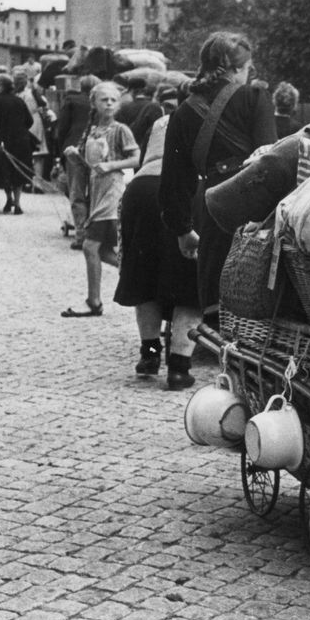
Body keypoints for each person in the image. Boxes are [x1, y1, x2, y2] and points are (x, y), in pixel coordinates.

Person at [159, 32, 276, 327]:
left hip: (210, 208)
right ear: (238, 68)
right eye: (248, 68)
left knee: (216, 301)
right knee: (256, 300)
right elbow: (271, 161)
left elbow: (174, 179)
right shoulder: (254, 97)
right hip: (255, 210)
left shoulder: (183, 112)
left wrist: (183, 230)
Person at [115, 102, 202, 389]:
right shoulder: (204, 118)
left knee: (144, 275)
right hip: (182, 191)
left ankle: (149, 354)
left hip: (140, 190)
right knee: (188, 283)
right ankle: (179, 368)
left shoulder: (161, 122)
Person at [60, 82, 139, 317]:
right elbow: (89, 169)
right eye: (104, 100)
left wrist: (112, 165)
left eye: (113, 100)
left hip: (112, 195)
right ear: (93, 103)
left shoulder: (120, 130)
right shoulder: (93, 131)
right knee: (104, 252)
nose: (109, 104)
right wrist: (74, 156)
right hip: (96, 194)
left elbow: (136, 157)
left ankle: (93, 302)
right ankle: (142, 277)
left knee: (89, 246)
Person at [55, 74, 95, 248]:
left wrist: (59, 152)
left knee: (76, 191)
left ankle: (81, 235)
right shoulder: (101, 102)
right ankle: (94, 232)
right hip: (96, 149)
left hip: (73, 148)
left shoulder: (71, 100)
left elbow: (61, 128)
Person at [0, 73, 35, 215]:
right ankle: (18, 203)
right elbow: (30, 121)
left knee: (5, 170)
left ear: (1, 86)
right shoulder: (19, 101)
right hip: (21, 141)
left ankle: (9, 199)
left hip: (2, 142)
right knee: (18, 171)